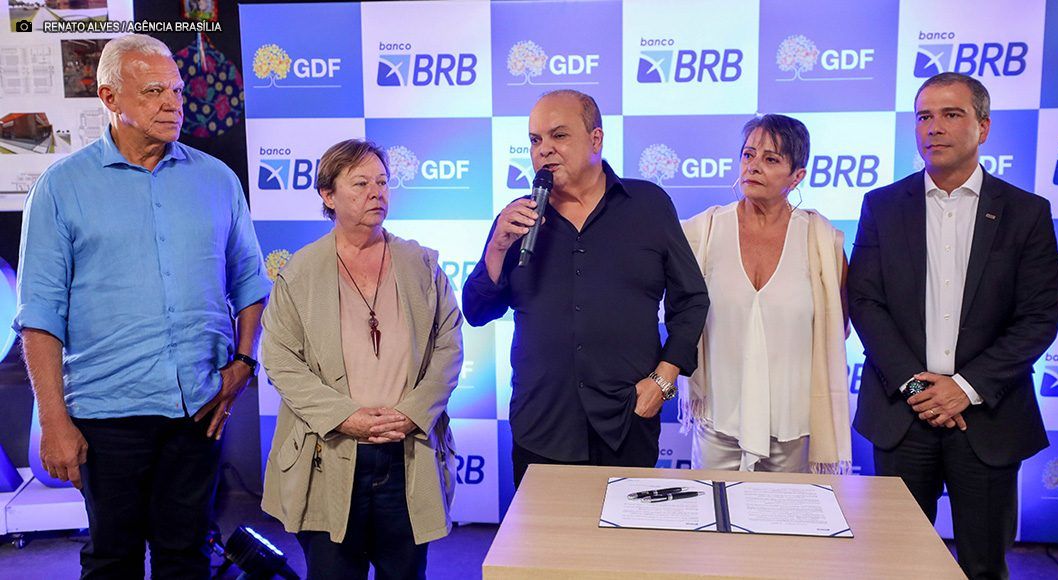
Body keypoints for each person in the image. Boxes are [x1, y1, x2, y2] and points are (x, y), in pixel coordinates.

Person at [14, 34, 270, 578]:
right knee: (113, 559)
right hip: (107, 415)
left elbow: (250, 280)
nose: (173, 103)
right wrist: (54, 422)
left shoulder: (217, 180)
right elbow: (39, 314)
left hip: (198, 407)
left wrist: (245, 363)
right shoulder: (61, 188)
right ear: (109, 98)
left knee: (187, 556)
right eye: (154, 91)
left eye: (176, 90)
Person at [849, 72, 1058, 580]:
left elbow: (1038, 317)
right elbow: (865, 302)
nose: (934, 127)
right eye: (924, 116)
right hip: (903, 413)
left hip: (988, 418)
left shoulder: (1027, 212)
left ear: (983, 127)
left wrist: (964, 388)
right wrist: (919, 388)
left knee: (983, 566)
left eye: (951, 114)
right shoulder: (882, 205)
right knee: (897, 566)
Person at [462, 90, 709, 487]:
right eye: (535, 140)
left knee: (626, 529)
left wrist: (664, 380)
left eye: (559, 136)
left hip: (626, 421)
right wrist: (497, 247)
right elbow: (477, 312)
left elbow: (692, 298)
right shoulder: (518, 219)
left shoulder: (648, 205)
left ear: (596, 139)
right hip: (542, 425)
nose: (544, 150)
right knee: (544, 530)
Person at [260, 139, 463, 580]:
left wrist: (413, 413)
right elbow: (279, 359)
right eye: (361, 184)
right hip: (328, 454)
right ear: (328, 195)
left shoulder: (421, 264)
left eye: (383, 182)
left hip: (406, 454)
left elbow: (449, 344)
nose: (377, 193)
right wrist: (343, 417)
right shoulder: (300, 272)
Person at [679, 114, 851, 473]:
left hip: (792, 427)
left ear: (797, 176)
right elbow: (678, 316)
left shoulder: (822, 242)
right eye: (748, 154)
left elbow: (840, 329)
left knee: (784, 511)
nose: (753, 166)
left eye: (771, 159)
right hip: (717, 421)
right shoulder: (702, 232)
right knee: (711, 509)